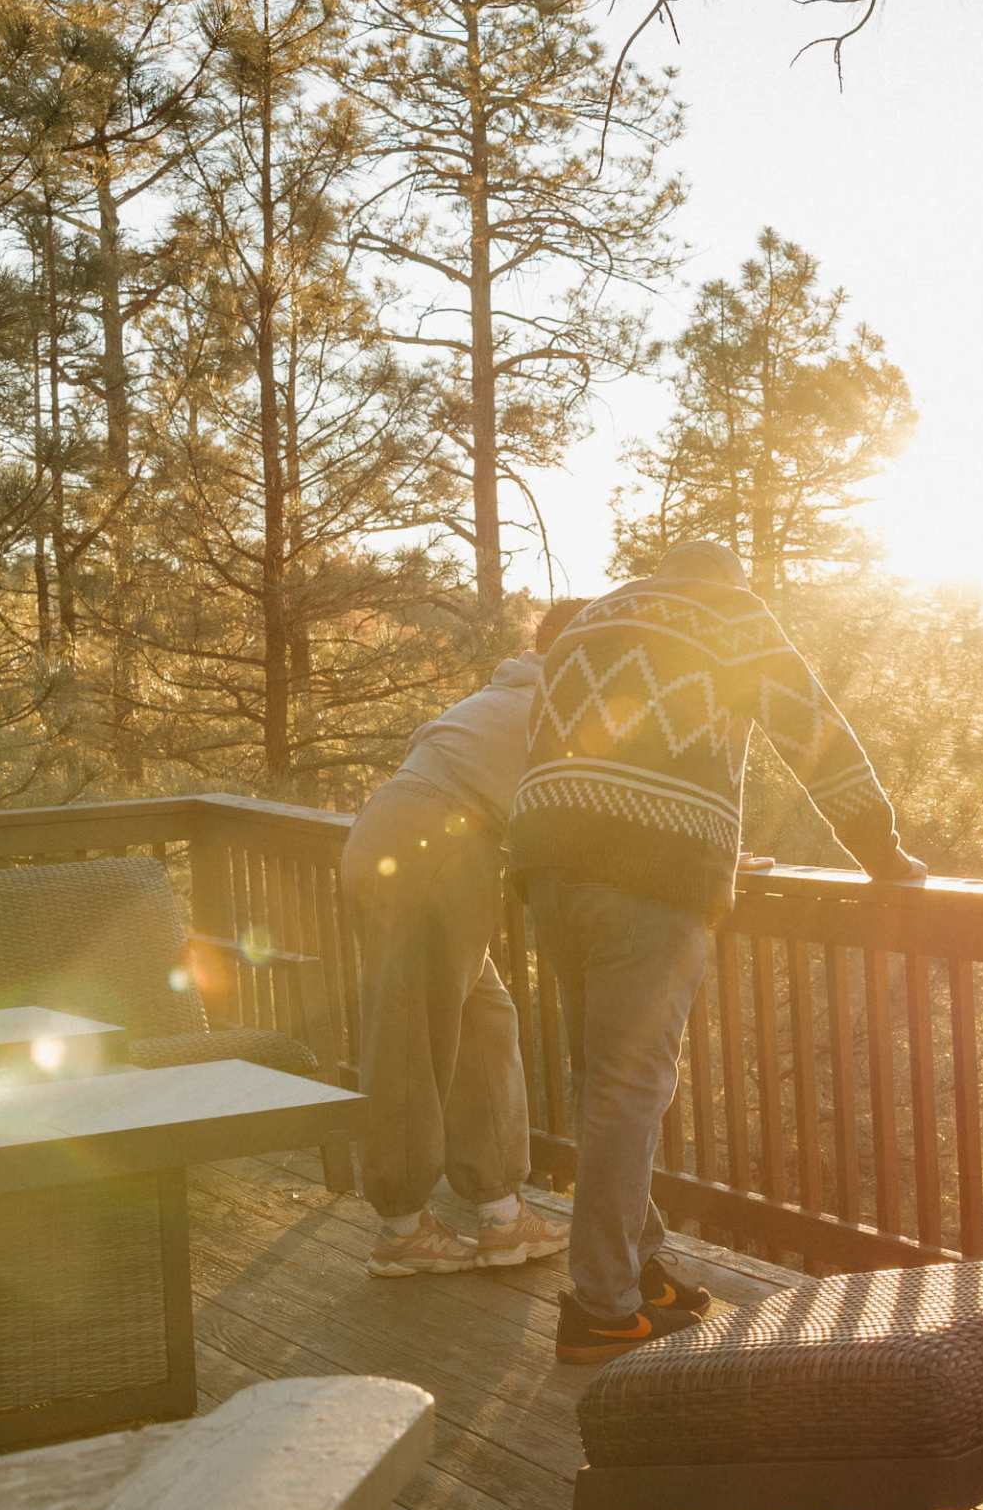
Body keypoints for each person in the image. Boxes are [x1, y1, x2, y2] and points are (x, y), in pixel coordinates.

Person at [508, 538, 928, 1362]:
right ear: (730, 580)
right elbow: (817, 735)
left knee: (606, 1080)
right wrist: (884, 854)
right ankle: (601, 1304)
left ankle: (640, 1264)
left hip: (548, 862)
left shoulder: (594, 616)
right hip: (648, 879)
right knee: (629, 1087)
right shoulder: (733, 615)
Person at [339, 602, 587, 1276]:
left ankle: (501, 1213)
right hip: (437, 850)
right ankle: (400, 1226)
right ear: (582, 644)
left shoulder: (505, 690)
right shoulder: (562, 699)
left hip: (399, 832)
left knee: (482, 1020)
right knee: (412, 1034)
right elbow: (596, 806)